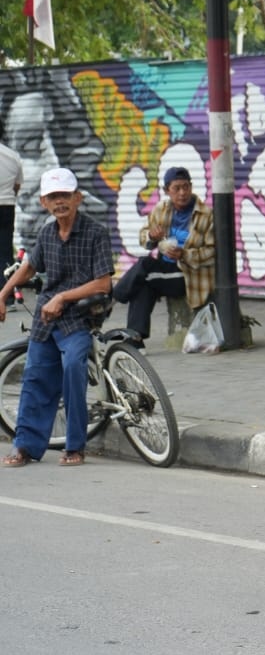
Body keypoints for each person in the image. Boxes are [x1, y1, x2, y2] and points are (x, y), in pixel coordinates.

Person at [0, 168, 113, 467]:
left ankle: (75, 446)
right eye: (53, 197)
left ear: (78, 198)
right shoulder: (47, 233)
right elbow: (29, 267)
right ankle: (24, 447)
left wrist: (63, 297)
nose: (59, 201)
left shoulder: (96, 232)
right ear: (43, 202)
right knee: (34, 376)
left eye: (65, 195)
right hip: (46, 319)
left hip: (80, 316)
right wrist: (3, 294)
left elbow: (103, 283)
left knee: (73, 369)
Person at [113, 166, 215, 342]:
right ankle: (135, 340)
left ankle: (113, 297)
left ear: (191, 187)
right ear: (167, 190)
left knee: (145, 266)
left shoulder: (205, 215)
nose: (182, 193)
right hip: (164, 270)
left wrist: (184, 254)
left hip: (188, 275)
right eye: (177, 188)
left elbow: (212, 252)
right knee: (144, 283)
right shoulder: (161, 209)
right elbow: (143, 237)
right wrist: (151, 237)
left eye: (186, 187)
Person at [0, 130, 21, 278]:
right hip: (7, 205)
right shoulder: (12, 156)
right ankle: (6, 293)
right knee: (5, 250)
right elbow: (17, 185)